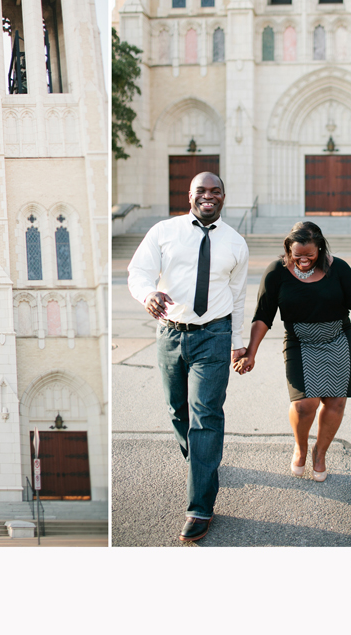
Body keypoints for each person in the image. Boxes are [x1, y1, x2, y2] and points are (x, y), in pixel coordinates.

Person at [128, 171, 249, 543]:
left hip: (214, 334)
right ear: (190, 195)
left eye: (215, 191)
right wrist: (148, 294)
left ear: (223, 198)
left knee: (206, 414)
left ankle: (200, 505)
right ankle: (202, 462)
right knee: (176, 409)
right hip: (170, 333)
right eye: (201, 191)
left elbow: (239, 295)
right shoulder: (164, 232)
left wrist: (238, 342)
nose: (208, 196)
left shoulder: (235, 243)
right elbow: (138, 272)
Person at [235, 221, 351, 481]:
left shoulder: (337, 268)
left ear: (320, 248)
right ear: (288, 250)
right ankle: (301, 447)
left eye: (310, 255)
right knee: (304, 404)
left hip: (337, 339)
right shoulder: (276, 272)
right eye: (297, 256)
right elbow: (263, 314)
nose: (304, 260)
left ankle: (320, 453)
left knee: (335, 401)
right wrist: (251, 352)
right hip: (300, 341)